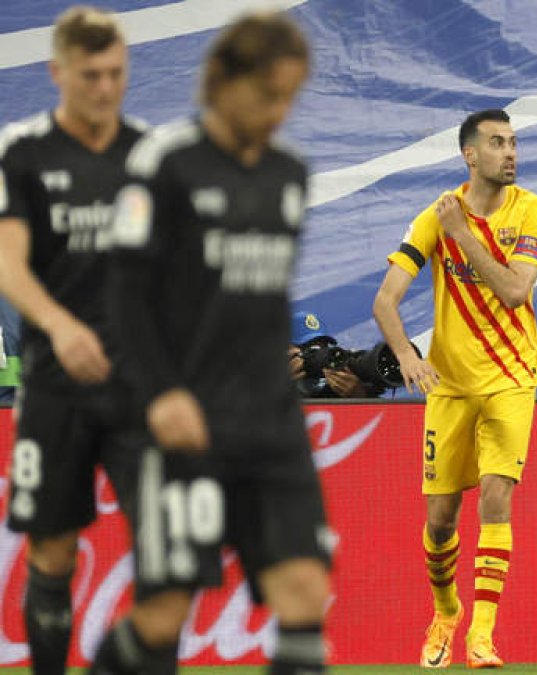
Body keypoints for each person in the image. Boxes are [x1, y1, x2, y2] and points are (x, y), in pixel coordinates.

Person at [90, 13, 332, 675]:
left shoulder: (289, 172)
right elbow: (122, 298)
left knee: (305, 592)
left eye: (289, 97)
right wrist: (161, 393)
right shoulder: (165, 163)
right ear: (224, 81)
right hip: (186, 421)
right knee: (163, 615)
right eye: (267, 94)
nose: (278, 112)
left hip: (272, 427)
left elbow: (265, 298)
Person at [372, 108, 537, 669]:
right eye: (497, 143)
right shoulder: (435, 215)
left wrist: (461, 235)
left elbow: (515, 292)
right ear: (470, 155)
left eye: (513, 142)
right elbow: (385, 300)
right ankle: (446, 612)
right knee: (440, 520)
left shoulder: (532, 210)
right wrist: (406, 355)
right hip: (449, 387)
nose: (510, 152)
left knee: (496, 498)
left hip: (512, 378)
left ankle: (482, 635)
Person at [0, 8, 144, 674]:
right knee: (52, 554)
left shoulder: (150, 157)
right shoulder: (24, 154)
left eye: (115, 72)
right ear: (57, 72)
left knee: (167, 552)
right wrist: (60, 326)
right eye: (90, 75)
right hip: (54, 387)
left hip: (136, 387)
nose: (105, 87)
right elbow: (9, 264)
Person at [288, 310, 382, 398]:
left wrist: (359, 396)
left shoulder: (335, 387)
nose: (318, 355)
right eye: (309, 349)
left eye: (324, 347)